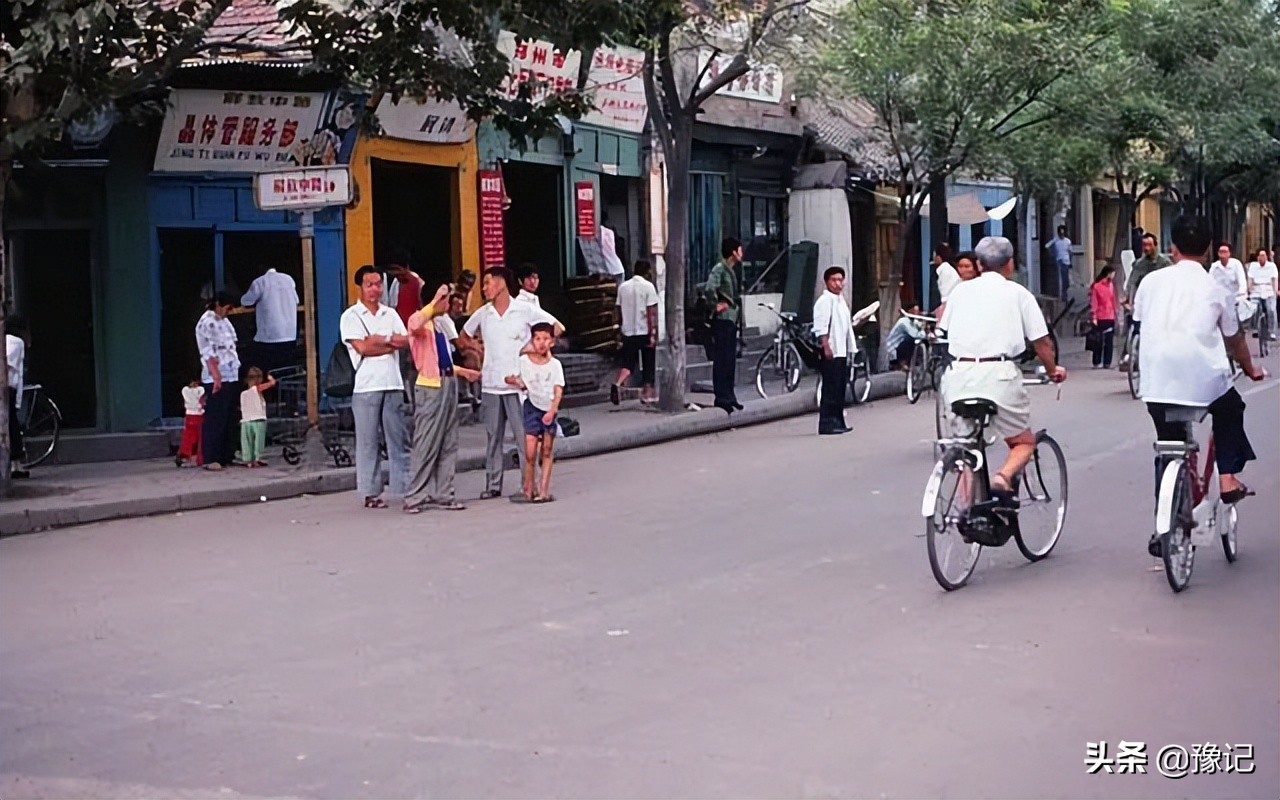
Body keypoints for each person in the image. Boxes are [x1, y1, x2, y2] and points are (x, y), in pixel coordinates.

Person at [1133, 215, 1265, 556]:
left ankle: (1164, 522)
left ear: (1171, 247)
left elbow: (1141, 322)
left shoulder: (1150, 282)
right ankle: (1228, 479)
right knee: (1230, 408)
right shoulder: (1216, 287)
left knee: (1168, 444)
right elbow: (1233, 338)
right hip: (1203, 380)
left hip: (1156, 381)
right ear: (1208, 250)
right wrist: (1250, 369)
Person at [939, 236, 1067, 505]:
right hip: (998, 376)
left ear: (979, 264)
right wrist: (1053, 369)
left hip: (958, 376)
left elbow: (946, 331)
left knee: (966, 448)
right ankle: (1003, 476)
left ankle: (966, 511)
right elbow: (1042, 342)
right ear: (1010, 264)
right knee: (1023, 441)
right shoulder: (1018, 293)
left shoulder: (959, 292)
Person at [460, 266, 563, 499]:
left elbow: (556, 327)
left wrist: (535, 350)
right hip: (491, 384)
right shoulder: (484, 313)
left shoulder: (525, 310)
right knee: (493, 437)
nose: (484, 288)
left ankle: (528, 484)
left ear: (501, 283)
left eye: (487, 282)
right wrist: (478, 348)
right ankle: (493, 484)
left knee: (523, 437)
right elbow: (463, 337)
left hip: (519, 385)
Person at [404, 283, 482, 513]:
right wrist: (433, 302)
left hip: (446, 383)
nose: (448, 304)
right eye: (445, 299)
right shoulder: (422, 322)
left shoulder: (439, 325)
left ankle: (443, 493)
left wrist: (463, 372)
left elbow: (442, 360)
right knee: (426, 441)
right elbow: (413, 324)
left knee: (449, 442)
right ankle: (415, 495)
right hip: (430, 387)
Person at [341, 265, 412, 509]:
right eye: (370, 284)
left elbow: (405, 340)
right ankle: (370, 492)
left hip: (392, 382)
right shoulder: (351, 316)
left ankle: (404, 488)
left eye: (378, 284)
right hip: (366, 385)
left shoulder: (390, 314)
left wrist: (382, 341)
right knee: (368, 440)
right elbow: (362, 348)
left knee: (397, 437)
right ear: (360, 286)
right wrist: (387, 343)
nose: (375, 289)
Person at [504, 322, 565, 502]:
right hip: (531, 407)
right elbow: (509, 376)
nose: (541, 343)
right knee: (530, 452)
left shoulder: (555, 365)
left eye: (546, 339)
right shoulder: (523, 362)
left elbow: (558, 390)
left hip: (548, 409)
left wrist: (552, 410)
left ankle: (544, 489)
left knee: (546, 450)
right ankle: (528, 489)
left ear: (552, 342)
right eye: (537, 338)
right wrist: (517, 381)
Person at [195, 291, 243, 471]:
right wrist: (215, 375)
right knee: (215, 417)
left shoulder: (225, 322)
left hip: (231, 371)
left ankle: (226, 454)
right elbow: (207, 352)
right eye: (225, 308)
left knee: (229, 416)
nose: (226, 312)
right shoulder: (206, 323)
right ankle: (211, 457)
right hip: (217, 374)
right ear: (217, 304)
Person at [703, 237, 744, 415]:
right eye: (740, 249)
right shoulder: (720, 269)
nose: (742, 253)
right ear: (734, 252)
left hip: (732, 319)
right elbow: (709, 288)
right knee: (722, 359)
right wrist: (716, 305)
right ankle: (721, 397)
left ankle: (730, 394)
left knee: (730, 359)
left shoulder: (731, 270)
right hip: (722, 320)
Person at [813, 266, 855, 436]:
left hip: (842, 350)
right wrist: (825, 345)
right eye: (834, 280)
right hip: (831, 349)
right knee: (830, 387)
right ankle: (827, 422)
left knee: (839, 387)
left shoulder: (840, 300)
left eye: (840, 280)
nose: (838, 284)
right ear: (827, 282)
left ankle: (838, 420)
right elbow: (821, 326)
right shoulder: (824, 301)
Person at [612, 259, 660, 405]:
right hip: (644, 330)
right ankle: (647, 394)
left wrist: (618, 329)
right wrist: (653, 334)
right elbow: (651, 313)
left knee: (628, 363)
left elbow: (618, 311)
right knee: (648, 362)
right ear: (647, 272)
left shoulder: (623, 287)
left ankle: (618, 384)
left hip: (628, 331)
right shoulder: (649, 287)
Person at [239, 266, 299, 373]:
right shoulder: (288, 279)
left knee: (267, 371)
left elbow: (246, 301)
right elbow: (296, 300)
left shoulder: (260, 282)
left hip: (269, 337)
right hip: (289, 334)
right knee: (286, 371)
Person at [5, 316, 28, 480]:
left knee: (10, 423)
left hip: (8, 387)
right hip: (10, 386)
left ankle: (14, 464)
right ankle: (15, 464)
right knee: (12, 424)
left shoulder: (9, 340)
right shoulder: (15, 342)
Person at [1123, 233, 1172, 311]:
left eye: (1149, 245)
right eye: (1144, 245)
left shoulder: (1165, 263)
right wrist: (1127, 299)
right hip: (1142, 305)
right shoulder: (1138, 264)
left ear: (1155, 246)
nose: (1147, 248)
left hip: (1160, 305)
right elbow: (1132, 283)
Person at [239, 367, 276, 468]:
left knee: (247, 441)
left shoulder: (243, 394)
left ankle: (247, 459)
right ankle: (258, 458)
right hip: (258, 419)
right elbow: (272, 384)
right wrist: (271, 378)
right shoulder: (256, 389)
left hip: (245, 421)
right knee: (258, 441)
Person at [385, 248, 425, 327]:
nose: (395, 272)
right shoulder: (393, 281)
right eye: (392, 270)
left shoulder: (416, 281)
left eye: (397, 269)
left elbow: (421, 304)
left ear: (406, 268)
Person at [1089, 266, 1118, 369]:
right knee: (1099, 341)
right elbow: (1094, 302)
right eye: (1113, 273)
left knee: (1109, 341)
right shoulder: (1097, 286)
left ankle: (1107, 362)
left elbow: (1113, 300)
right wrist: (1094, 316)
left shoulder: (1111, 285)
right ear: (1108, 273)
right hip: (1101, 316)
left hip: (1110, 316)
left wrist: (1116, 313)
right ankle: (1096, 361)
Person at [1246, 248, 1278, 339]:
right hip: (1256, 289)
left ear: (1267, 257)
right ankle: (1255, 328)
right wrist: (1249, 289)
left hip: (1268, 290)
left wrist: (1275, 291)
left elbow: (1274, 280)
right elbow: (1250, 279)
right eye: (1260, 256)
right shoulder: (1253, 266)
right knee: (1254, 308)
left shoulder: (1272, 266)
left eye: (1263, 255)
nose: (1261, 257)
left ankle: (1272, 332)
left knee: (1271, 309)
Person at [885, 303, 926, 371]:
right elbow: (914, 334)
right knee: (910, 338)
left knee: (914, 340)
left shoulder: (913, 321)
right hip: (893, 346)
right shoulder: (904, 321)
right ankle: (902, 363)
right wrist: (923, 331)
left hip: (899, 343)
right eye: (914, 311)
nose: (917, 313)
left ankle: (910, 361)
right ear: (909, 311)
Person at [1209, 243, 1248, 309]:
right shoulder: (1215, 266)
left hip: (1235, 297)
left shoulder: (1236, 264)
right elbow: (1209, 281)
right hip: (1219, 299)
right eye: (1221, 252)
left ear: (1229, 253)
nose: (1223, 254)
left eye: (1225, 252)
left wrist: (1242, 293)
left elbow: (1242, 281)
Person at [176, 379, 205, 467]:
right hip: (196, 415)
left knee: (191, 437)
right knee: (195, 438)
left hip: (192, 415)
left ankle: (191, 458)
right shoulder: (199, 390)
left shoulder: (187, 390)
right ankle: (191, 458)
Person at [1045, 225, 1074, 298]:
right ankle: (1062, 295)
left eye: (1063, 233)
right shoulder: (1056, 240)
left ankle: (1065, 294)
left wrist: (1070, 262)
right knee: (1060, 278)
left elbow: (1070, 252)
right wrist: (1053, 254)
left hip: (1066, 261)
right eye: (1060, 234)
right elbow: (1047, 246)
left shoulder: (1068, 241)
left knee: (1066, 279)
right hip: (1059, 260)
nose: (1061, 235)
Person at [933, 243, 960, 309]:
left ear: (939, 257)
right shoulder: (948, 269)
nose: (933, 258)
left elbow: (945, 296)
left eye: (934, 255)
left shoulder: (945, 270)